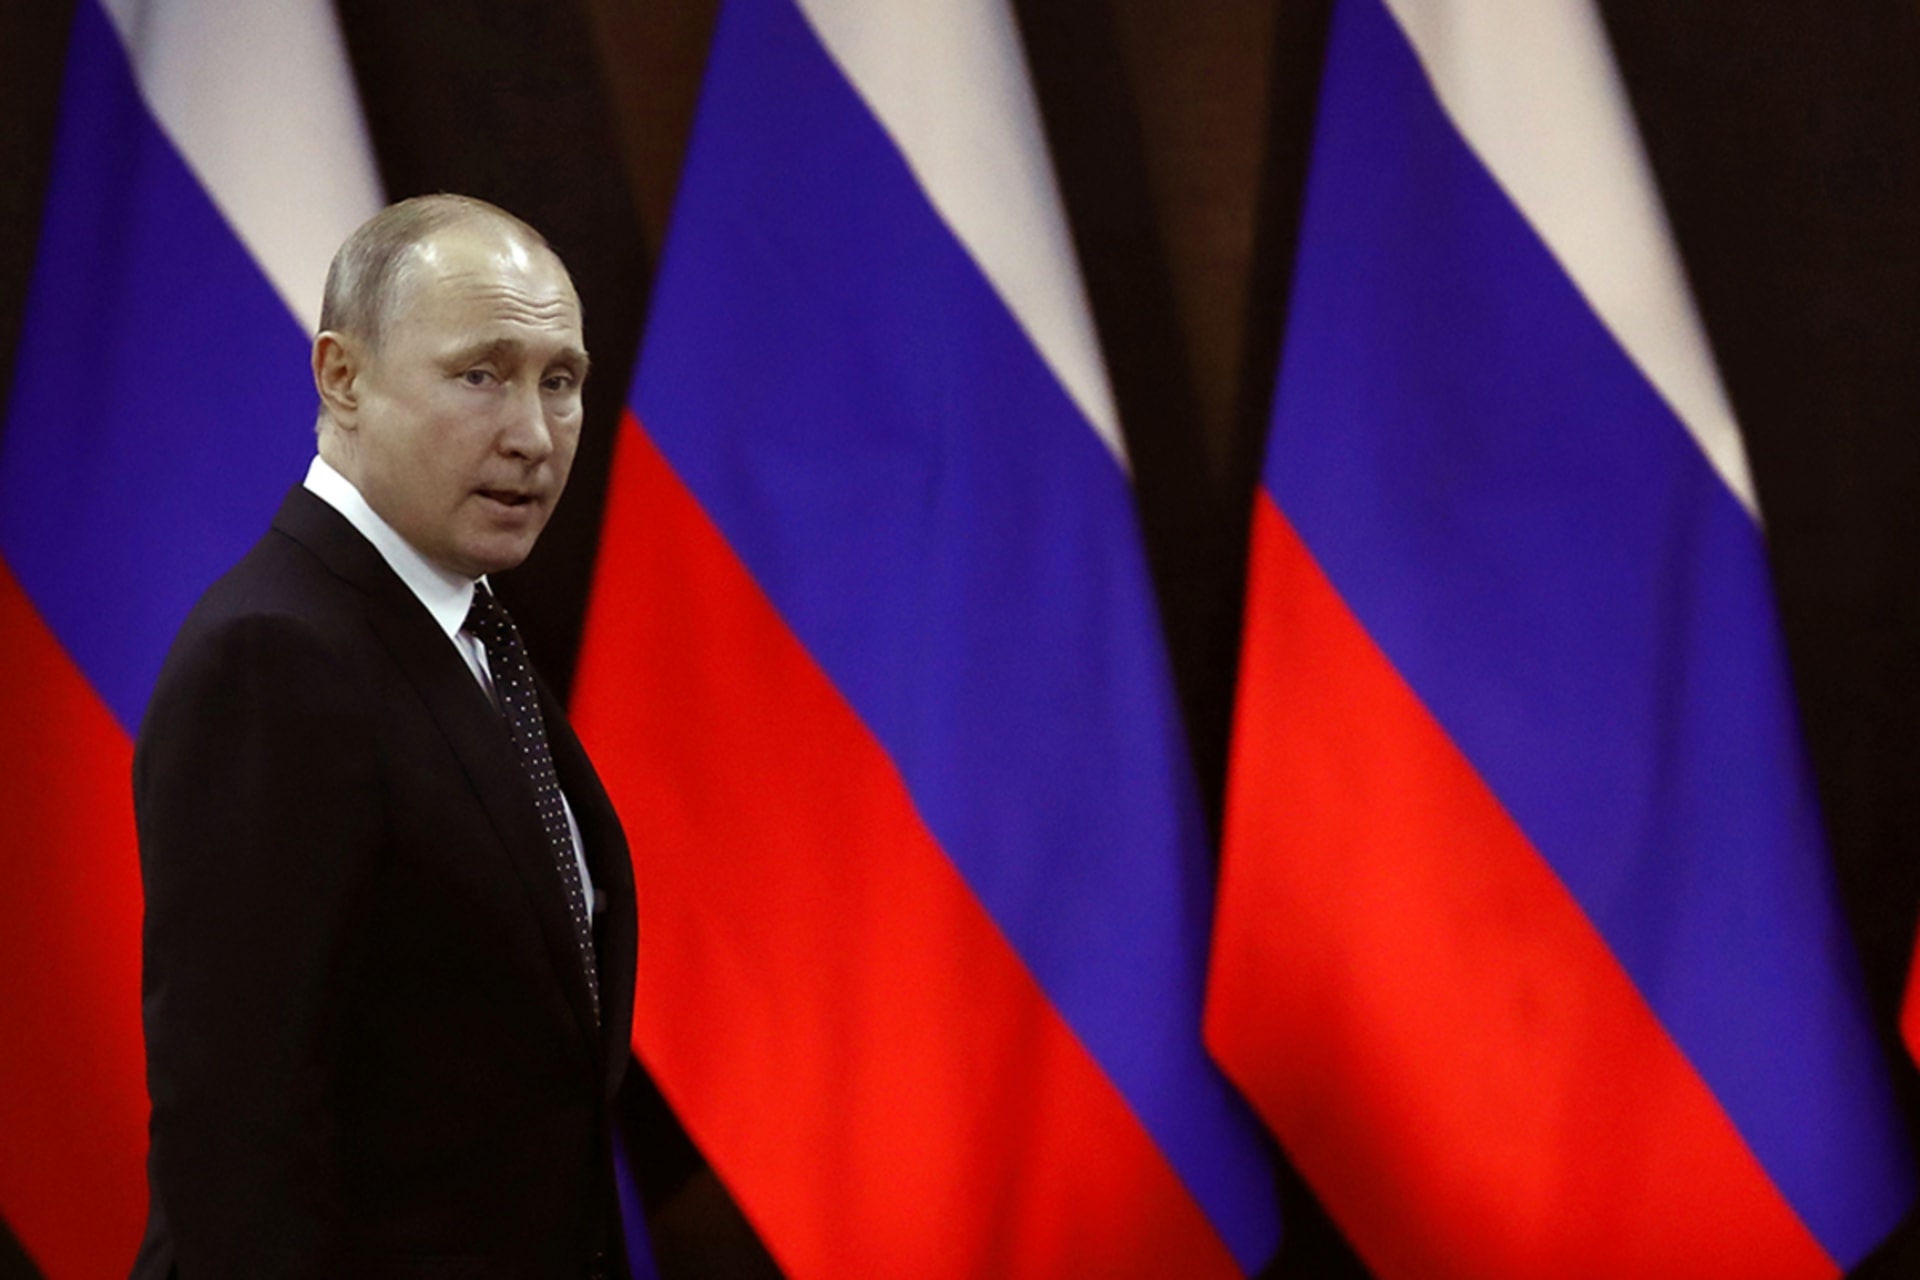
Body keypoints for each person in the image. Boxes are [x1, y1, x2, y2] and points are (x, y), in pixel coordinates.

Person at [131, 194, 636, 1279]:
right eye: (481, 373)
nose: (533, 434)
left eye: (562, 380)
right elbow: (237, 1140)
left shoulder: (465, 617)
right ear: (341, 377)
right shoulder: (274, 654)